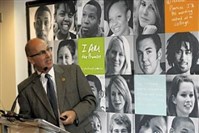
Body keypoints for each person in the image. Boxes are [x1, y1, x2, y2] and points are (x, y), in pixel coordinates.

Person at [18, 38, 96, 133]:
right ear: (31, 59)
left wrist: (75, 113)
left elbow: (90, 100)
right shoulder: (25, 88)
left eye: (48, 49)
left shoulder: (73, 71)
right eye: (42, 53)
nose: (48, 55)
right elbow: (27, 123)